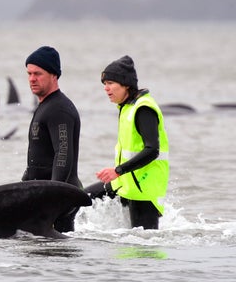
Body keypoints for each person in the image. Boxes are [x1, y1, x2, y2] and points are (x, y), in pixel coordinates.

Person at [87, 55, 170, 229]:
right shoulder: (127, 107)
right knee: (80, 198)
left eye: (110, 83)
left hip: (144, 189)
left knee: (143, 248)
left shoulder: (143, 108)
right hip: (125, 182)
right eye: (104, 84)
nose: (106, 89)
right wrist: (119, 173)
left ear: (126, 84)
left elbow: (152, 149)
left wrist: (118, 170)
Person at [22, 46, 82, 232]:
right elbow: (39, 156)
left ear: (54, 75)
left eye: (38, 73)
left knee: (56, 256)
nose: (32, 79)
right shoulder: (46, 106)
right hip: (46, 195)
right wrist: (24, 185)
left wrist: (54, 196)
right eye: (29, 73)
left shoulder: (59, 109)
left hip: (58, 199)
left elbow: (63, 153)